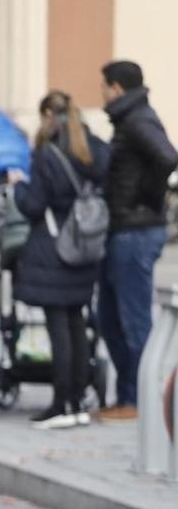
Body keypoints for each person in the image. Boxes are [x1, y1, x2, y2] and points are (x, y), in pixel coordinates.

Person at [8, 92, 109, 429]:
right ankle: (78, 401)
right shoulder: (92, 147)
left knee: (59, 327)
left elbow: (35, 205)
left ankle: (61, 404)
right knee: (77, 322)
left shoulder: (47, 153)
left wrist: (18, 187)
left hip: (54, 248)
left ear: (49, 115)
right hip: (84, 245)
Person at [95, 59, 178, 420]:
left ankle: (141, 399)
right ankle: (128, 395)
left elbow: (167, 157)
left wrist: (146, 198)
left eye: (104, 86)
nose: (101, 93)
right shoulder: (129, 118)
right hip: (124, 229)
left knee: (132, 318)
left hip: (136, 230)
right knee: (109, 317)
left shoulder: (138, 119)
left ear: (115, 87)